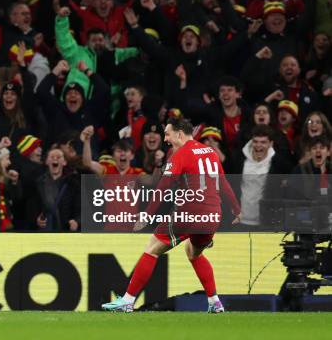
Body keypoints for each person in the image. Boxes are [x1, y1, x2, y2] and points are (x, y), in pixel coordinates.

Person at [102, 117, 241, 314]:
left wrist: (146, 216)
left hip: (191, 211)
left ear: (179, 133)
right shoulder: (210, 152)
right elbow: (223, 182)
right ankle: (214, 302)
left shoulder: (180, 155)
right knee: (193, 252)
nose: (165, 138)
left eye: (167, 133)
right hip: (213, 215)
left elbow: (162, 188)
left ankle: (127, 301)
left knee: (151, 248)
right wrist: (236, 209)